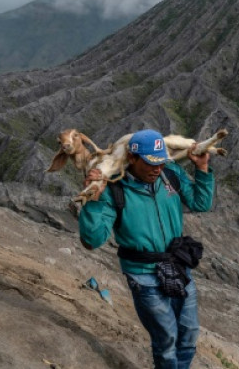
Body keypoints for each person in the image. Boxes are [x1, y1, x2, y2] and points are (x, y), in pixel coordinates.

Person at [78, 128, 215, 369]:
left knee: (189, 335)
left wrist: (202, 169)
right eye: (151, 163)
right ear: (132, 158)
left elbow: (200, 203)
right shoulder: (114, 189)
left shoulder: (170, 174)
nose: (157, 169)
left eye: (161, 162)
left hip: (178, 267)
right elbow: (92, 240)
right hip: (143, 275)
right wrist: (94, 201)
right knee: (166, 340)